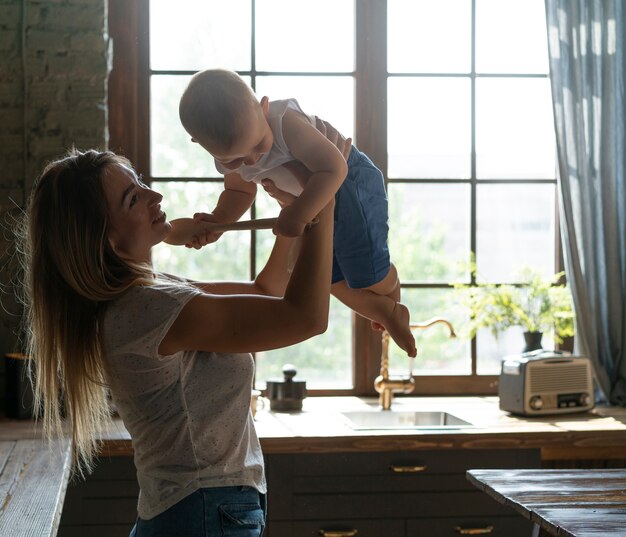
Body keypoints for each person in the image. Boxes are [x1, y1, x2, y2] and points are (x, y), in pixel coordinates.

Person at [20, 131, 340, 536]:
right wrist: (323, 198)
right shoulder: (148, 309)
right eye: (133, 199)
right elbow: (305, 318)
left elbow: (265, 293)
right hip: (204, 511)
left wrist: (295, 211)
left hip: (195, 511)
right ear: (106, 239)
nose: (155, 195)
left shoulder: (145, 297)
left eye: (138, 183)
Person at [176, 68, 417, 358]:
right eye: (235, 160)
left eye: (258, 146)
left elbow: (334, 169)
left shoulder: (284, 123)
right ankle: (385, 310)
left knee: (364, 271)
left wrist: (299, 212)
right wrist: (220, 221)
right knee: (323, 277)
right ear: (200, 145)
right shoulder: (230, 155)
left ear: (263, 108)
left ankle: (389, 282)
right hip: (309, 200)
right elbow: (240, 193)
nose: (252, 160)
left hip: (348, 182)